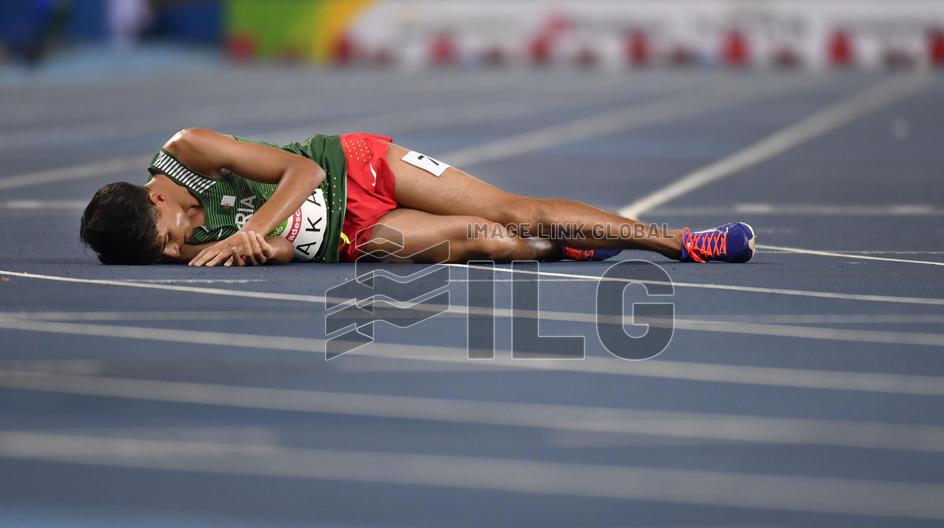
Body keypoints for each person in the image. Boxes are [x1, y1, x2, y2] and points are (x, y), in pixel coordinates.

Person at [79, 129, 755, 267]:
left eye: (167, 237)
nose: (176, 250)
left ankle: (678, 239)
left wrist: (246, 227)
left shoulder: (190, 151)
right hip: (353, 241)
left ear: (156, 198)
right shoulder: (162, 245)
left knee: (511, 210)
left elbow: (301, 174)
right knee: (489, 244)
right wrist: (265, 250)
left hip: (358, 168)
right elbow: (284, 250)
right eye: (164, 254)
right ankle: (565, 243)